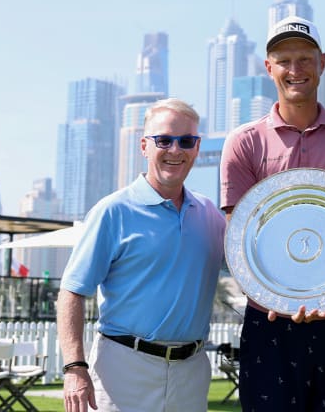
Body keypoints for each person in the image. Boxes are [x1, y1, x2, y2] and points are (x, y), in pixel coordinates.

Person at [220, 15, 325, 411]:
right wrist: (281, 297)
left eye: (304, 59)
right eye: (284, 60)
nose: (294, 70)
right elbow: (239, 237)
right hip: (271, 322)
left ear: (322, 63)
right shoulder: (244, 142)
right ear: (269, 68)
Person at [57, 98, 225, 412]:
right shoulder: (112, 211)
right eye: (164, 140)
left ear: (197, 148)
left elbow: (250, 271)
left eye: (186, 141)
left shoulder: (211, 215)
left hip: (192, 372)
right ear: (144, 146)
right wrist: (75, 368)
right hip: (123, 369)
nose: (175, 150)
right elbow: (72, 291)